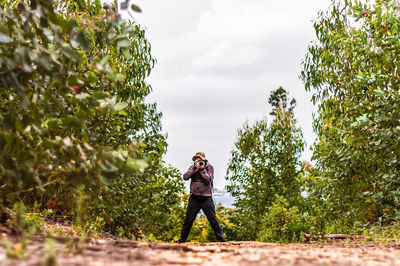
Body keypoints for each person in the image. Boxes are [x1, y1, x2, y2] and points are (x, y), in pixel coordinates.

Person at [178, 152, 226, 243]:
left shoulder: (209, 167)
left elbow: (209, 180)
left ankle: (221, 240)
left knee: (213, 220)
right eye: (196, 160)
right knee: (188, 220)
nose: (198, 161)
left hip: (206, 198)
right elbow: (185, 177)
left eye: (199, 160)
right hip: (194, 198)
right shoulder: (193, 167)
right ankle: (181, 241)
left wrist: (202, 170)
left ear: (204, 160)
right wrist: (195, 169)